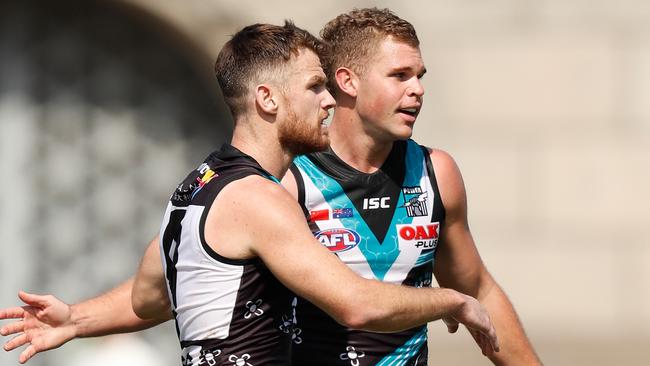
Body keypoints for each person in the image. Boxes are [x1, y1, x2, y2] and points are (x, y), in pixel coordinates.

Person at [1, 19, 499, 366]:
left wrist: (76, 319)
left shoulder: (196, 187)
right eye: (314, 87)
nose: (330, 100)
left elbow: (149, 296)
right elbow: (355, 303)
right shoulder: (258, 200)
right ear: (267, 98)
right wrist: (451, 302)